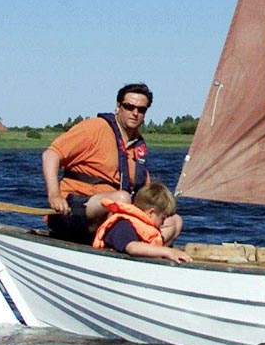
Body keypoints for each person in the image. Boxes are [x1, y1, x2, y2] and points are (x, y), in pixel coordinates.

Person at [41, 82, 181, 244]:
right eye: (129, 107)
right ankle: (126, 243)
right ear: (118, 107)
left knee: (174, 221)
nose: (135, 113)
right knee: (121, 198)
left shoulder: (137, 147)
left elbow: (145, 193)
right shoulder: (95, 128)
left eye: (141, 109)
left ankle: (140, 248)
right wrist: (54, 195)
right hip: (72, 210)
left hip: (116, 214)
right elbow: (51, 155)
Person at [92, 181, 192, 264]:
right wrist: (168, 252)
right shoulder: (123, 225)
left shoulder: (142, 226)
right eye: (162, 218)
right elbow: (132, 247)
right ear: (151, 213)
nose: (163, 223)